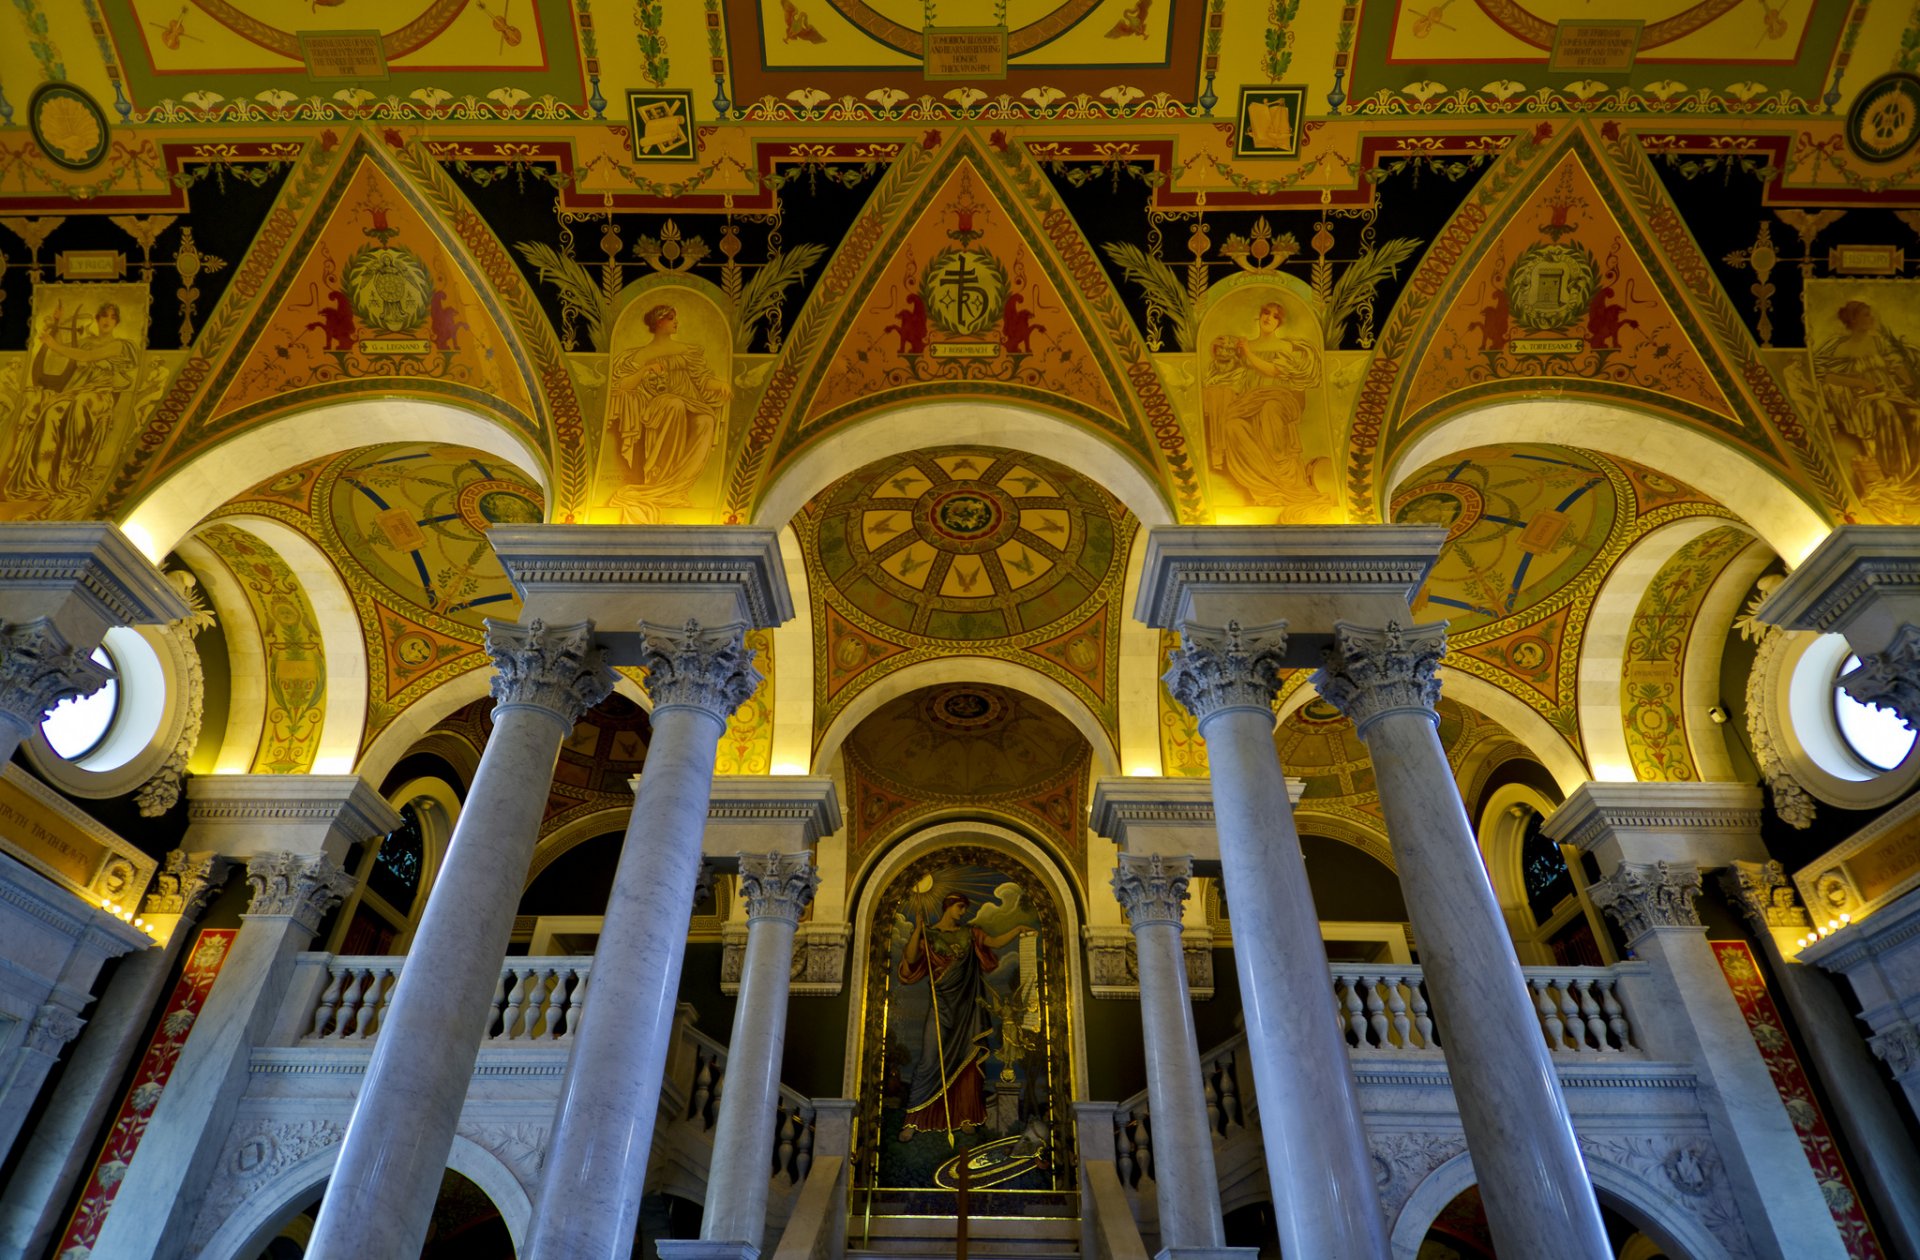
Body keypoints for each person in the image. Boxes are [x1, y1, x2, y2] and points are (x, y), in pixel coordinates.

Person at [896, 892, 1036, 1141]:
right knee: (929, 1060)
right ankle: (915, 1118)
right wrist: (918, 928)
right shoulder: (928, 934)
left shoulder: (971, 933)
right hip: (941, 1006)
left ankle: (965, 1116)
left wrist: (1015, 930)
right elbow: (910, 958)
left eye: (964, 908)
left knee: (968, 1062)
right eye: (960, 907)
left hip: (967, 1008)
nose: (963, 912)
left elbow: (993, 943)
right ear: (948, 906)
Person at [603, 303, 731, 523]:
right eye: (672, 318)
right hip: (655, 406)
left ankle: (676, 486)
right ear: (659, 322)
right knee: (673, 404)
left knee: (706, 419)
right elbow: (623, 385)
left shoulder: (687, 351)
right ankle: (658, 480)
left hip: (690, 402)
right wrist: (644, 371)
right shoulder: (640, 355)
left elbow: (702, 380)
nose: (676, 322)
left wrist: (719, 384)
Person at [1201, 300, 1328, 517]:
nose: (1269, 318)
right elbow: (1232, 372)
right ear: (1259, 317)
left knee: (1270, 409)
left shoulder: (1283, 347)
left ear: (1279, 323)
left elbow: (1273, 372)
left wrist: (1248, 353)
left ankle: (1286, 481)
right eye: (1266, 313)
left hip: (1279, 398)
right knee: (1232, 425)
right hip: (1249, 402)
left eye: (1275, 316)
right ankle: (1264, 486)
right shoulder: (1244, 346)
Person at [4, 302, 137, 507]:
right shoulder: (86, 342)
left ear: (116, 321)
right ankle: (42, 480)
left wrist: (53, 344)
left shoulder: (119, 345)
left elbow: (86, 357)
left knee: (80, 403)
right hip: (78, 391)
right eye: (104, 315)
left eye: (112, 317)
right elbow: (65, 349)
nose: (107, 320)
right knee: (50, 411)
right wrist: (56, 323)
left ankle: (69, 470)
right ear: (97, 318)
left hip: (100, 395)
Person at [1815, 299, 1920, 516]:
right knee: (1885, 410)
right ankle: (1894, 474)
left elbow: (1896, 367)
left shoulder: (1878, 342)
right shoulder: (1842, 347)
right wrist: (1861, 383)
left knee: (1916, 415)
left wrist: (1912, 386)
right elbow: (1826, 375)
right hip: (1862, 400)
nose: (1871, 319)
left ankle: (1913, 477)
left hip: (1891, 393)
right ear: (1853, 319)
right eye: (1866, 315)